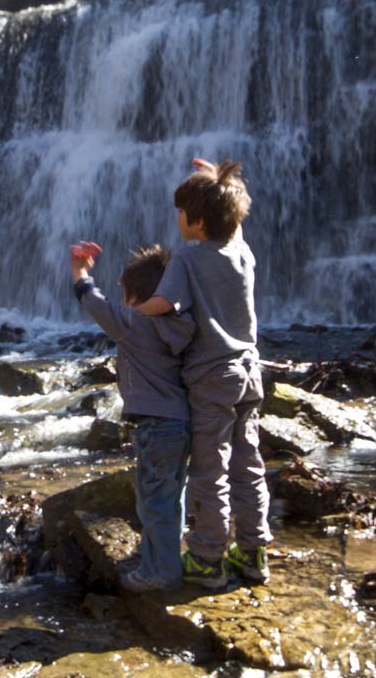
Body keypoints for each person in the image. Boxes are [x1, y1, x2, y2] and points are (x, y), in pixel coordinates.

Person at [134, 158, 271, 588]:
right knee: (249, 463)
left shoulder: (188, 260)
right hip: (250, 373)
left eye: (180, 212)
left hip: (212, 377)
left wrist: (130, 314)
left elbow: (163, 304)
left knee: (210, 468)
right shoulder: (242, 252)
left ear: (195, 220)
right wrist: (221, 182)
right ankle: (253, 553)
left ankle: (208, 558)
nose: (176, 219)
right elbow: (234, 225)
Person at [70, 240, 195, 593]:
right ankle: (167, 559)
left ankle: (160, 572)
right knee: (171, 498)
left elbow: (94, 303)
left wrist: (79, 270)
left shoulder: (135, 322)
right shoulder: (182, 324)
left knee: (153, 500)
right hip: (181, 425)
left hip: (155, 426)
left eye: (124, 294)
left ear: (135, 299)